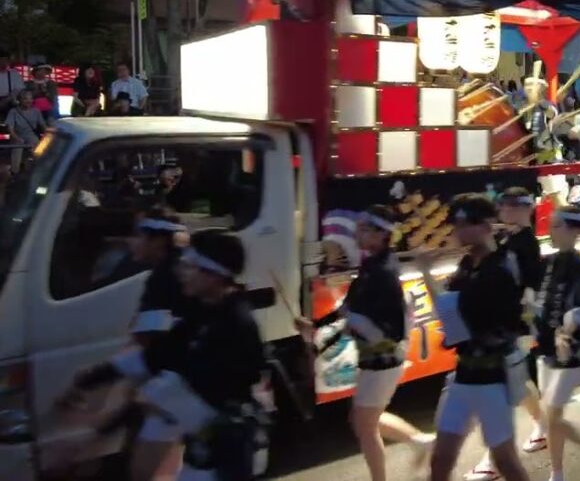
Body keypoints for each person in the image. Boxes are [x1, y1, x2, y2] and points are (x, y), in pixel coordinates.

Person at [57, 229, 266, 481]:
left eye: (191, 266)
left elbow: (173, 392)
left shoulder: (235, 325)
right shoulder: (201, 314)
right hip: (201, 458)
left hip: (224, 461)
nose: (182, 272)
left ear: (214, 275)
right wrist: (91, 378)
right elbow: (156, 357)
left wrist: (95, 435)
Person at [300, 205, 433, 481]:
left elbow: (385, 326)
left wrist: (325, 338)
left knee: (365, 425)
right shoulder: (373, 264)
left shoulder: (382, 272)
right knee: (363, 421)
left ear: (381, 234)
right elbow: (350, 308)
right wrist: (315, 328)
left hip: (383, 359)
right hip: (377, 358)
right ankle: (419, 441)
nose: (356, 233)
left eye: (363, 229)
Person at [415, 194, 529, 481]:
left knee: (505, 461)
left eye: (463, 223)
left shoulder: (500, 267)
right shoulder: (469, 263)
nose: (457, 230)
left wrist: (426, 272)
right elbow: (451, 309)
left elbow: (452, 316)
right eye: (455, 224)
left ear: (486, 225)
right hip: (464, 375)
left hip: (492, 378)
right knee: (441, 459)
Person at [464, 188, 547, 481]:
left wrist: (523, 325)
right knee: (518, 383)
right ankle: (543, 426)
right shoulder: (507, 238)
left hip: (513, 326)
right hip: (503, 325)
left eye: (513, 206)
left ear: (527, 209)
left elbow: (529, 287)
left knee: (500, 391)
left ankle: (494, 458)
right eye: (504, 206)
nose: (507, 211)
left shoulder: (526, 243)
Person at [533, 205, 580, 481]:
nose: (550, 230)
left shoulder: (578, 264)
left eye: (556, 225)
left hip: (571, 349)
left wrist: (565, 333)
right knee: (550, 414)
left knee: (552, 414)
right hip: (547, 346)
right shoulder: (550, 261)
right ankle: (557, 472)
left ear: (573, 230)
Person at [122, 208, 191, 481]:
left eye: (139, 236)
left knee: (147, 471)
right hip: (181, 385)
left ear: (159, 241)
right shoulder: (181, 269)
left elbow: (146, 337)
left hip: (172, 388)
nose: (132, 242)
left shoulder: (163, 278)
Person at [5, 89, 47, 172]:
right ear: (20, 100)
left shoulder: (36, 111)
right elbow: (10, 128)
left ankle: (39, 171)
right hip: (17, 135)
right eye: (25, 99)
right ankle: (15, 171)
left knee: (39, 149)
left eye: (30, 99)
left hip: (30, 135)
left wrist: (46, 137)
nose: (28, 101)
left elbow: (43, 125)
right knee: (17, 148)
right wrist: (17, 138)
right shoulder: (13, 112)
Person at [0, 49, 24, 117]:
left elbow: (18, 89)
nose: (3, 62)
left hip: (10, 100)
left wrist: (6, 100)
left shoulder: (14, 73)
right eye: (1, 60)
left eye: (5, 60)